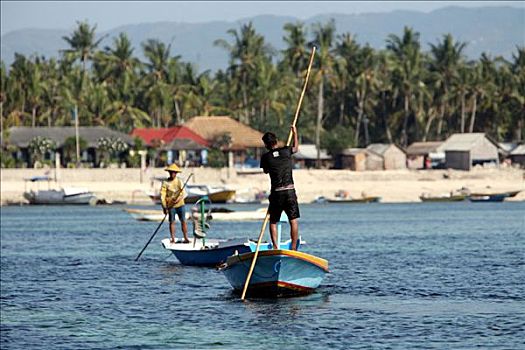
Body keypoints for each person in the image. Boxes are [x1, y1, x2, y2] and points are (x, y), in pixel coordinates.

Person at [260, 125, 300, 250]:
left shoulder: (265, 157)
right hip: (289, 191)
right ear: (276, 141)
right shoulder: (286, 151)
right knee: (293, 220)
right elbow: (296, 148)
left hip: (277, 193)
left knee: (273, 222)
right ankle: (293, 248)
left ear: (266, 145)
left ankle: (276, 248)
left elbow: (266, 171)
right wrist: (295, 133)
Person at [160, 164, 190, 244]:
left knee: (183, 221)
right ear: (169, 172)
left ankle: (185, 238)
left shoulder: (179, 181)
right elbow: (162, 196)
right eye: (171, 172)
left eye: (174, 172)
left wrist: (179, 199)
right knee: (172, 222)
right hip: (171, 206)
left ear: (176, 173)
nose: (173, 174)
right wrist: (164, 207)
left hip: (180, 205)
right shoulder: (165, 183)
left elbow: (184, 193)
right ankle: (173, 238)